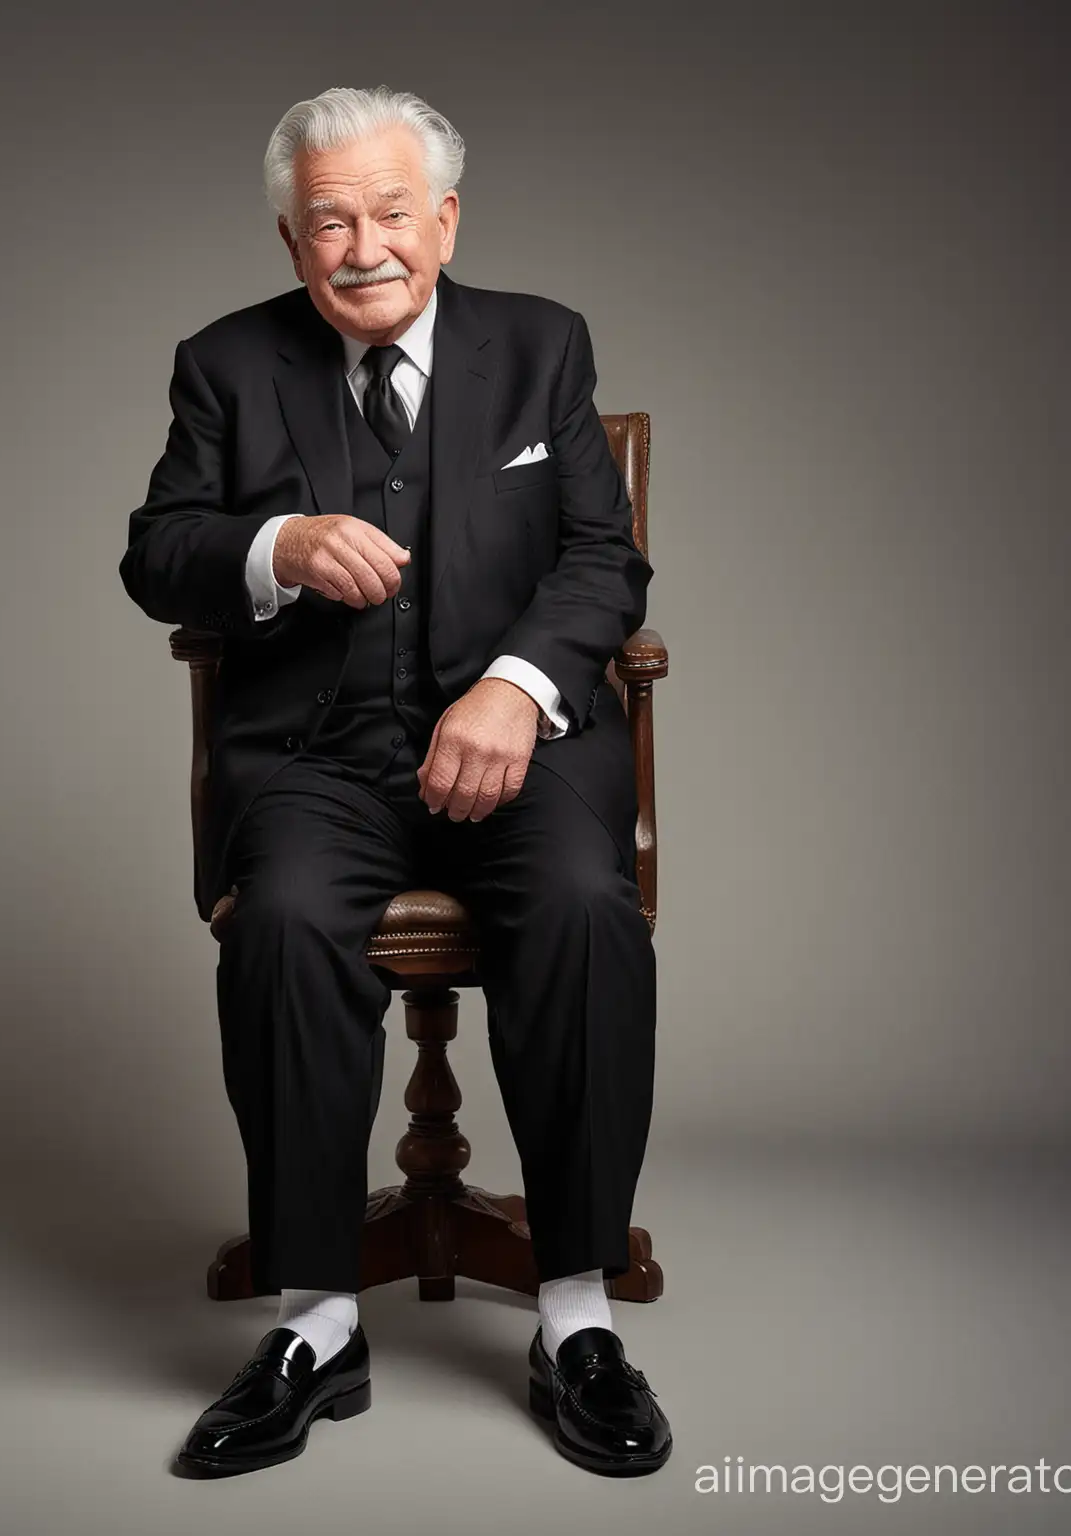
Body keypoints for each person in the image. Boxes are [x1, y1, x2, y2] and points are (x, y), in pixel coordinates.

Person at [118, 84, 669, 1478]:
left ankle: (576, 1316)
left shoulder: (541, 346)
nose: (363, 246)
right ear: (294, 239)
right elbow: (156, 555)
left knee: (586, 912)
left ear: (447, 219)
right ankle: (314, 1326)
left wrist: (514, 685)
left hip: (521, 755)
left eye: (389, 214)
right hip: (318, 759)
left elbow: (606, 561)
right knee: (288, 926)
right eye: (327, 222)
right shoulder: (226, 364)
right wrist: (276, 547)